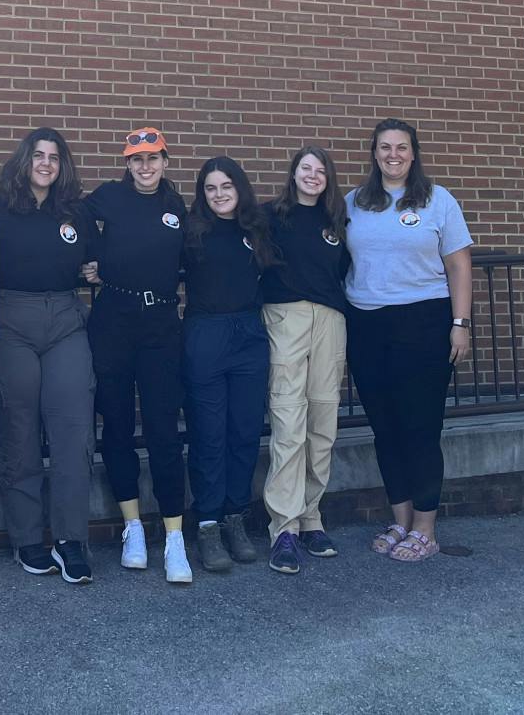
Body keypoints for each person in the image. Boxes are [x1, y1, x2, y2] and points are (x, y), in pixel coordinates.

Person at [344, 118, 474, 562]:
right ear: (374, 153)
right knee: (385, 429)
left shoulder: (438, 200)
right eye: (385, 147)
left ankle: (425, 528)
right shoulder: (354, 203)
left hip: (423, 322)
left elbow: (458, 265)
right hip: (366, 325)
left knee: (420, 428)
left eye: (401, 147)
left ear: (413, 153)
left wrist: (460, 322)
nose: (393, 155)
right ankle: (400, 521)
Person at [0, 127, 98, 584]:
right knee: (19, 426)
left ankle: (71, 540)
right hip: (12, 320)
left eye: (54, 156)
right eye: (38, 155)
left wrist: (97, 269)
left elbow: (94, 261)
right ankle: (27, 538)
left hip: (66, 319)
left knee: (73, 427)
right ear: (24, 160)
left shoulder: (75, 212)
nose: (46, 163)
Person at [85, 127, 192, 584]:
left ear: (165, 161)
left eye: (152, 158)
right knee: (116, 425)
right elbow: (70, 222)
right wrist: (91, 259)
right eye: (136, 159)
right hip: (114, 318)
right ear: (127, 164)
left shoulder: (176, 206)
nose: (145, 166)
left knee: (164, 429)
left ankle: (174, 537)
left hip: (161, 323)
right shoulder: (109, 197)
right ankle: (132, 527)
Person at [258, 143, 351, 574]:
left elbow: (344, 270)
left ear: (327, 179)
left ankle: (312, 518)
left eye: (320, 171)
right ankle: (284, 528)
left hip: (330, 321)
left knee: (322, 425)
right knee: (289, 423)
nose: (313, 176)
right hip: (285, 319)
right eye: (306, 169)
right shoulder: (270, 216)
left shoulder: (337, 221)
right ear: (293, 174)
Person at [181, 155, 272, 571]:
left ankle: (235, 517)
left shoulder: (257, 228)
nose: (219, 194)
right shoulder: (191, 231)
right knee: (209, 433)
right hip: (206, 334)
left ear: (240, 188)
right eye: (211, 188)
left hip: (249, 335)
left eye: (226, 186)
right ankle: (208, 524)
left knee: (245, 431)